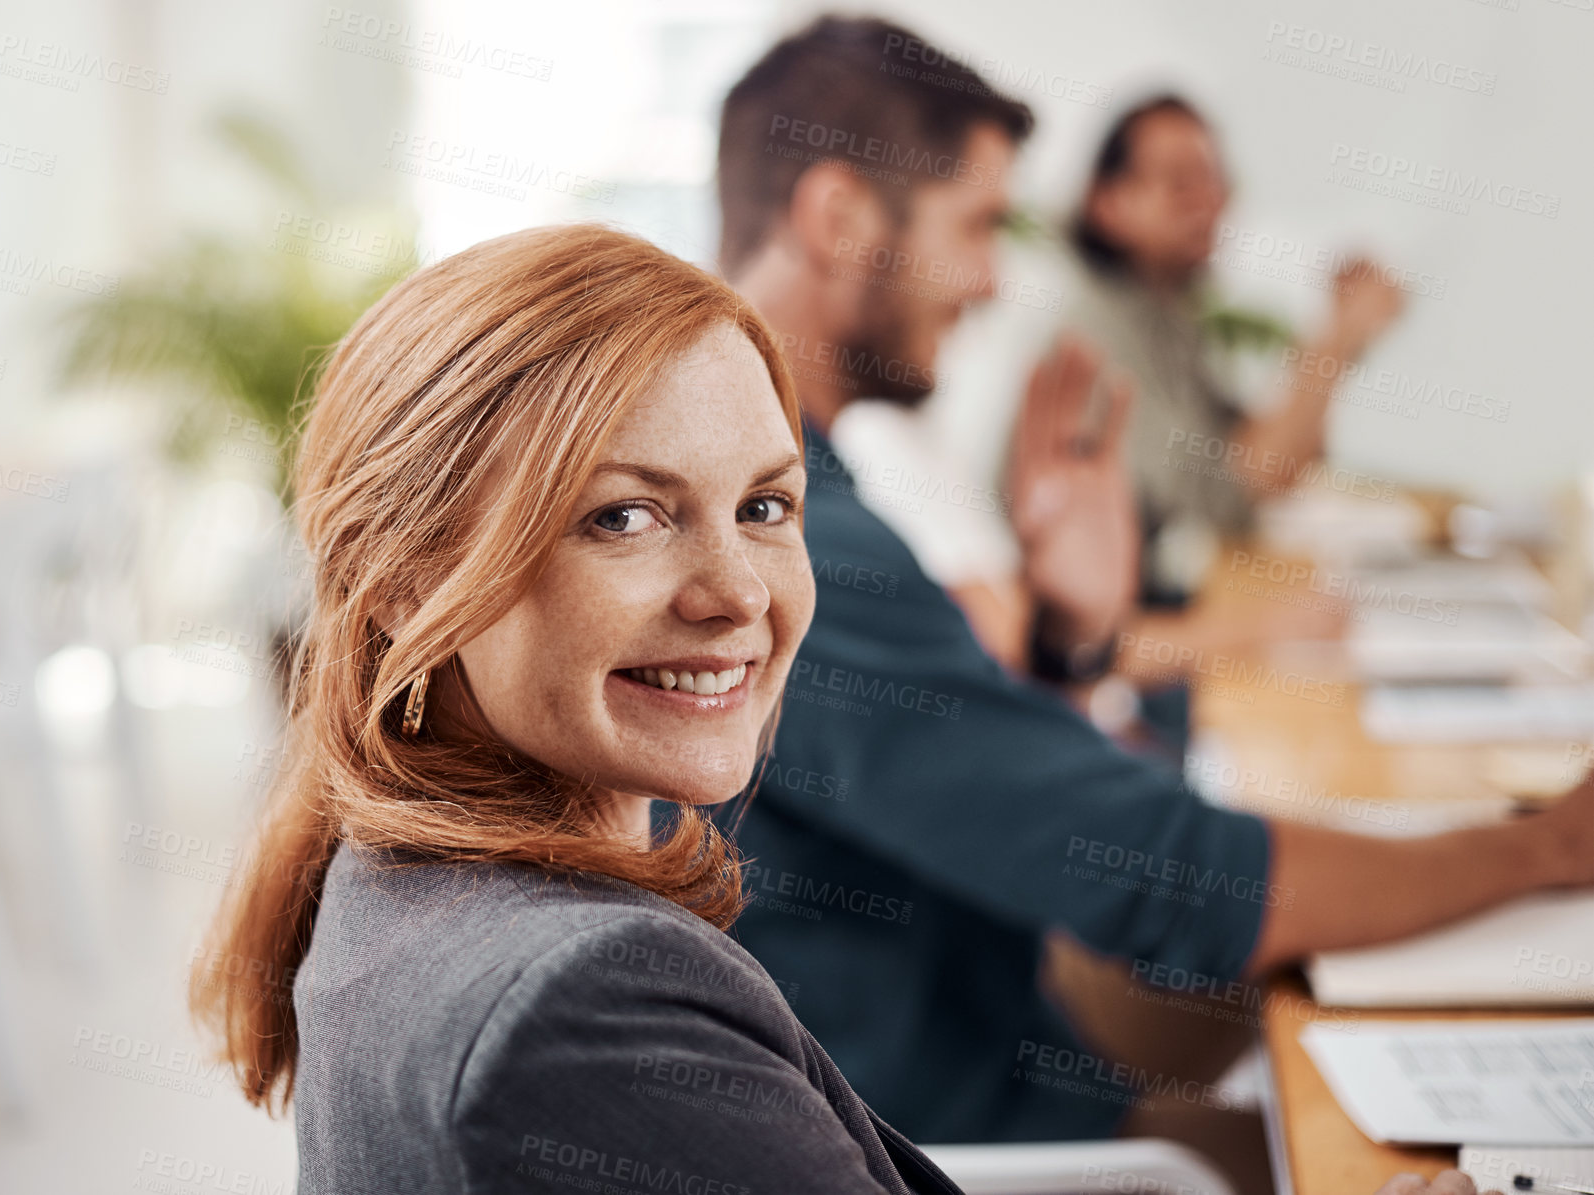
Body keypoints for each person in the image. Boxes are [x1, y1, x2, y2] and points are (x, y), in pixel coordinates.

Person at [714, 12, 1594, 1164]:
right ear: (837, 217)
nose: (988, 279)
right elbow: (1172, 885)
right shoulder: (789, 543)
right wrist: (1544, 848)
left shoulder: (779, 487)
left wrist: (1074, 637)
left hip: (983, 1028)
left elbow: (952, 765)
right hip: (943, 1135)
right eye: (976, 224)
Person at [188, 224, 961, 1194]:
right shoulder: (588, 1010)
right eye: (622, 517)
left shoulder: (399, 874)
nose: (739, 595)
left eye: (764, 506)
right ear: (404, 580)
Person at [1068, 93, 1407, 607]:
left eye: (1215, 181)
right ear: (1108, 203)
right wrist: (1336, 337)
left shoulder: (1166, 317)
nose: (1209, 204)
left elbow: (1279, 460)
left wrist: (1342, 335)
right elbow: (1234, 493)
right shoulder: (1097, 333)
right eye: (1181, 183)